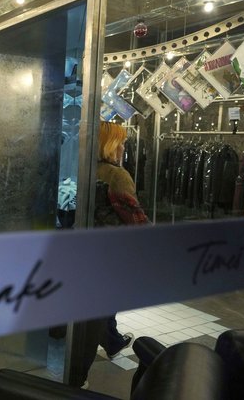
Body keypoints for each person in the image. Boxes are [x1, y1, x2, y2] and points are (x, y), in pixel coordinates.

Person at [76, 121, 149, 388]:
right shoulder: (119, 176)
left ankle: (113, 341)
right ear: (111, 144)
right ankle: (79, 375)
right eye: (122, 141)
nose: (124, 146)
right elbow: (133, 216)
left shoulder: (86, 169)